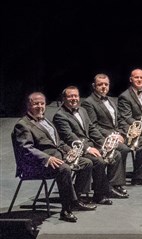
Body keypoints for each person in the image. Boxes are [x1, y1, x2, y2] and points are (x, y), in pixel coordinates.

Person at [12, 92, 95, 222]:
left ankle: (76, 199)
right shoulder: (23, 125)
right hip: (36, 165)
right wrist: (47, 158)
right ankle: (66, 210)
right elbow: (26, 149)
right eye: (36, 104)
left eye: (42, 103)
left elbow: (58, 143)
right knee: (64, 169)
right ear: (29, 105)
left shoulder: (46, 121)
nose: (40, 106)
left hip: (58, 158)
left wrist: (69, 151)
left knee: (87, 162)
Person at [53, 86, 125, 205]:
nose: (74, 98)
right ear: (64, 98)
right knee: (98, 161)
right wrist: (88, 148)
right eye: (70, 96)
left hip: (89, 144)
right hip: (75, 148)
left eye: (76, 96)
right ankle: (87, 195)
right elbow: (69, 137)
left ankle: (110, 188)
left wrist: (104, 144)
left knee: (115, 153)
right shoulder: (60, 115)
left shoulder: (81, 110)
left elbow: (91, 129)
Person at [81, 73, 141, 196]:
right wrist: (112, 136)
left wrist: (124, 134)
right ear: (94, 86)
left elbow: (119, 120)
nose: (103, 87)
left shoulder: (112, 100)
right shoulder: (89, 102)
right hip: (101, 139)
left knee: (140, 142)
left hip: (116, 134)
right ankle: (114, 184)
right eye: (100, 84)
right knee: (123, 150)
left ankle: (122, 181)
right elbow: (94, 126)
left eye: (106, 84)